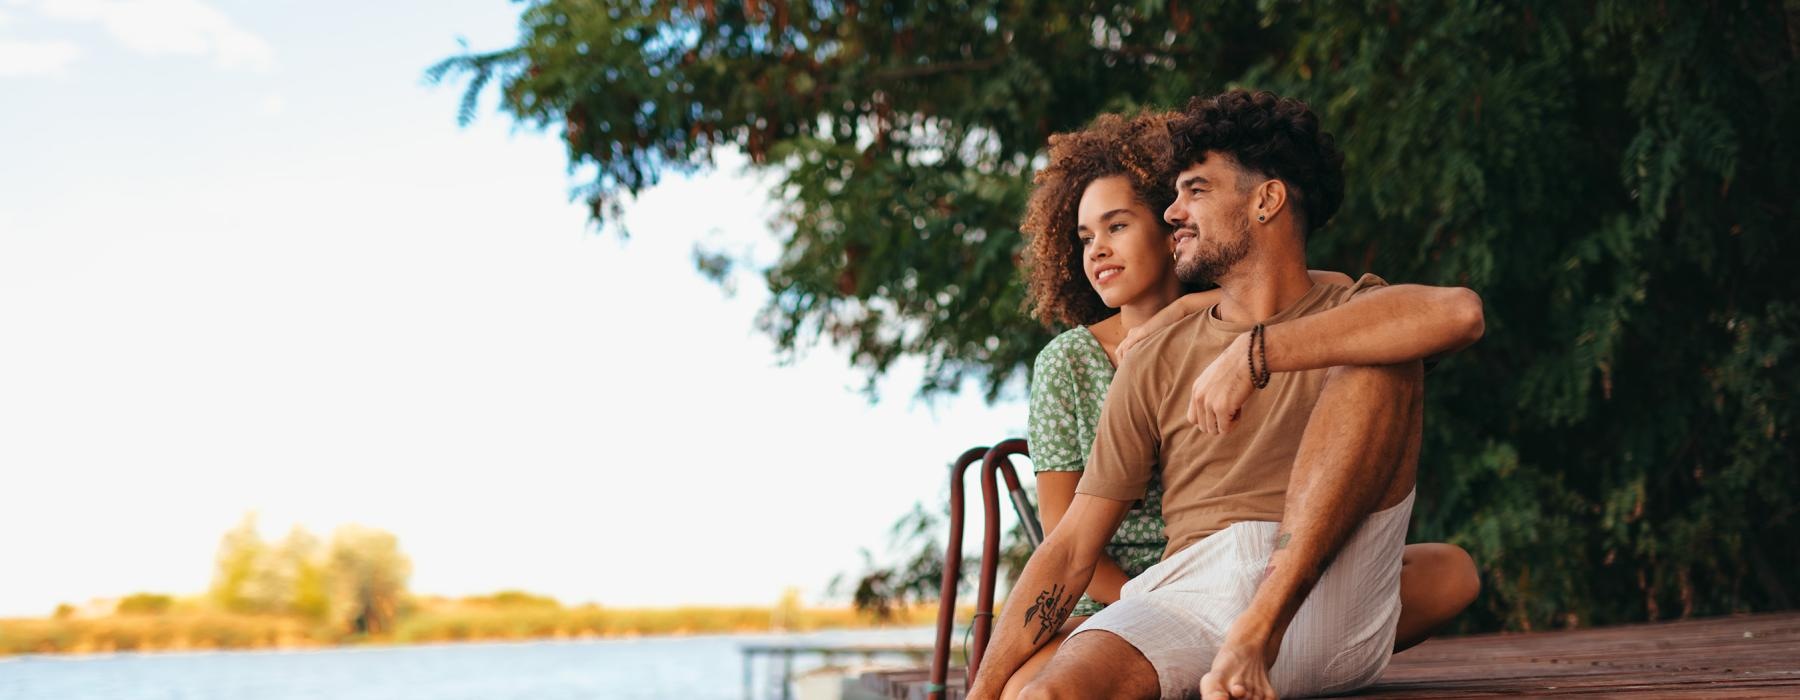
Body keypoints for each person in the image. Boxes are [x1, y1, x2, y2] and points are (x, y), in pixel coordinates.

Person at [970, 90, 1488, 700]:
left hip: (1323, 589)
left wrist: (1256, 353)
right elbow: (1072, 544)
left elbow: (1459, 312)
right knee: (1046, 696)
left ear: (1266, 200)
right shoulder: (1157, 352)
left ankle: (1257, 632)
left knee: (1379, 350)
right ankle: (1232, 652)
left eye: (1195, 190)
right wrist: (979, 692)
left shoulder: (1352, 312)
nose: (1172, 212)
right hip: (1187, 600)